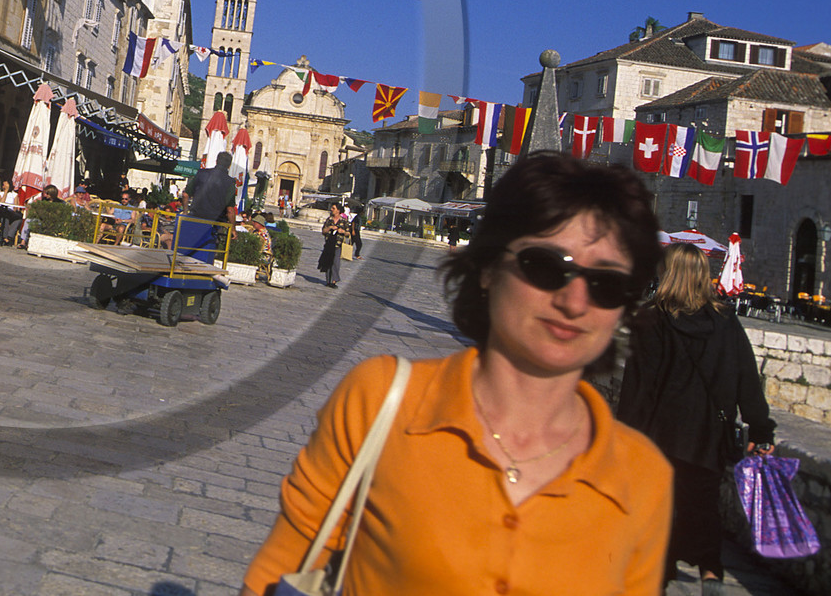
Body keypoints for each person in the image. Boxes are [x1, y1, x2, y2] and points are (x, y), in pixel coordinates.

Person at [241, 152, 671, 596]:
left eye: (607, 284)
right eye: (544, 266)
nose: (574, 302)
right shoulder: (381, 403)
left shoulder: (643, 478)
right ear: (487, 267)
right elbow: (282, 568)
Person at [616, 242, 777, 594]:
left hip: (661, 436)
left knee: (659, 511)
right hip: (709, 435)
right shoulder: (724, 319)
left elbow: (638, 387)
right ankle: (710, 574)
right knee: (703, 506)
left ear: (666, 272)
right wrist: (761, 428)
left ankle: (659, 575)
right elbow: (746, 378)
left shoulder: (651, 318)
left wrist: (624, 439)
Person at [177, 153, 235, 263]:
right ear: (229, 166)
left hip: (195, 218)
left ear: (216, 161)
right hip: (214, 224)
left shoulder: (201, 173)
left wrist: (185, 211)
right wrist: (233, 229)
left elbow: (185, 195)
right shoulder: (230, 182)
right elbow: (230, 210)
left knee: (189, 249)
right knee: (206, 253)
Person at [0, 178, 26, 246]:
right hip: (1, 211)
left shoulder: (14, 194)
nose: (4, 186)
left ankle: (9, 236)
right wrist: (5, 191)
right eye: (3, 185)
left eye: (6, 185)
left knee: (19, 218)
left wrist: (15, 208)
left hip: (11, 212)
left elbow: (15, 206)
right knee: (5, 215)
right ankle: (5, 237)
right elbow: (1, 203)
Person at [317, 205, 346, 288]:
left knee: (336, 262)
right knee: (328, 262)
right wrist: (330, 227)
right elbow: (323, 231)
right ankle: (328, 281)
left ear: (338, 210)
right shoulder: (329, 220)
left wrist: (342, 231)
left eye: (334, 208)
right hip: (329, 244)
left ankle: (334, 281)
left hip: (337, 244)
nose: (331, 209)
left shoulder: (343, 221)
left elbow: (348, 233)